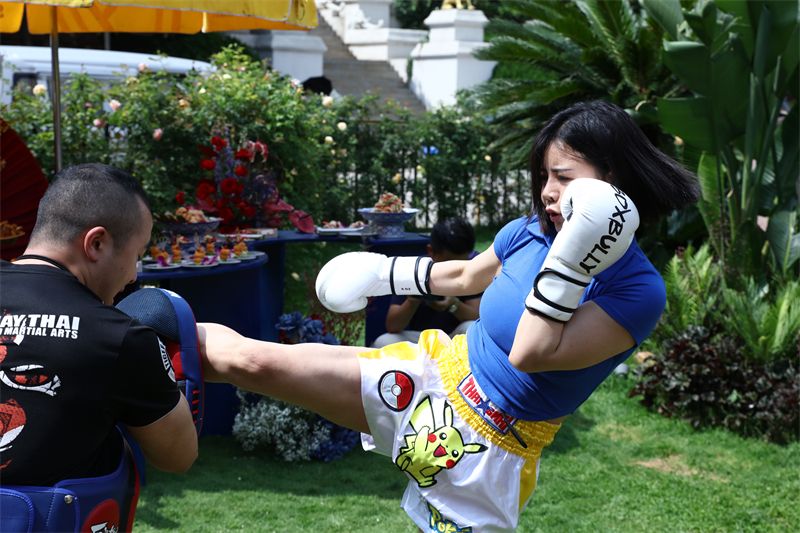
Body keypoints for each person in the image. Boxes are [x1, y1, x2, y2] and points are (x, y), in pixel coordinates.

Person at [198, 100, 700, 531]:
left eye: (563, 177)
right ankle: (158, 338)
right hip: (431, 376)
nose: (548, 190)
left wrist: (573, 258)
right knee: (254, 362)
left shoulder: (638, 291)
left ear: (613, 182)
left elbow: (530, 352)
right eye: (545, 175)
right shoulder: (530, 231)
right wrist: (384, 273)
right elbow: (463, 276)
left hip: (490, 448)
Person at [0, 163, 198, 532]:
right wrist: (171, 368)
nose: (134, 274)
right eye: (136, 254)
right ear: (97, 243)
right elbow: (178, 456)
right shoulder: (119, 338)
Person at [372, 217, 482, 348]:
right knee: (383, 341)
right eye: (448, 262)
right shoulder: (415, 270)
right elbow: (393, 326)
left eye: (460, 263)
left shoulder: (471, 269)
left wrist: (454, 305)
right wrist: (413, 300)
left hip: (454, 339)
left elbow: (477, 318)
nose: (454, 268)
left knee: (471, 328)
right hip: (421, 340)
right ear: (431, 252)